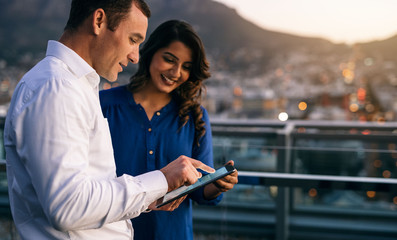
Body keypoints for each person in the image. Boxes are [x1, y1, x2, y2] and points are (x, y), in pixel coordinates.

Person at [4, 1, 215, 239]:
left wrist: (150, 195)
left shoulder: (74, 87)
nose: (135, 56)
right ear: (99, 21)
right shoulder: (57, 88)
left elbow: (88, 191)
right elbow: (67, 206)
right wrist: (161, 180)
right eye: (133, 39)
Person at [99, 20, 239, 240]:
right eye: (169, 60)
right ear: (151, 53)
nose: (176, 72)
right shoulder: (103, 105)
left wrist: (218, 184)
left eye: (186, 67)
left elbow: (202, 191)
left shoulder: (195, 116)